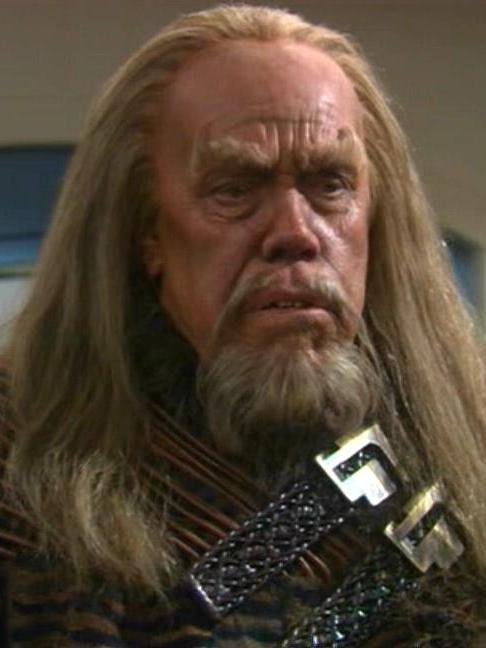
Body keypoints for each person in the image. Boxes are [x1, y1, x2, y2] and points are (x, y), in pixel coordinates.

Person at [1, 4, 485, 646]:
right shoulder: (22, 485)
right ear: (147, 232)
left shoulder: (462, 467)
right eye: (234, 189)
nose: (296, 233)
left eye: (330, 185)